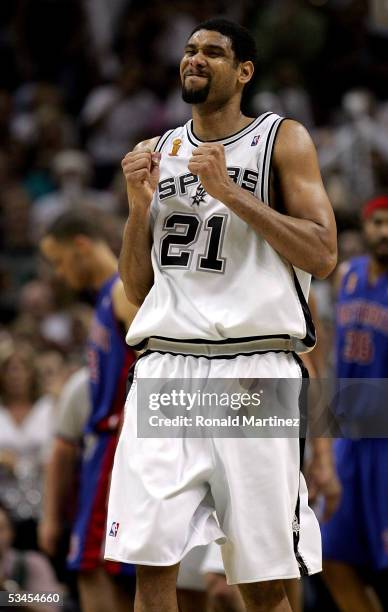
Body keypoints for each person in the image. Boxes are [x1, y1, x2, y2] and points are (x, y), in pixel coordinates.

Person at [105, 18, 337, 612]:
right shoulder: (157, 153)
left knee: (260, 580)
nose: (195, 59)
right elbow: (135, 287)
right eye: (189, 49)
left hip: (252, 371)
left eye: (213, 51)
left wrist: (232, 193)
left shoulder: (281, 138)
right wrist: (137, 209)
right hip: (166, 369)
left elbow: (323, 253)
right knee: (152, 564)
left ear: (245, 72)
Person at [39, 213, 137, 612]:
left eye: (60, 260)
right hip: (105, 447)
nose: (59, 274)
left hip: (118, 441)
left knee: (92, 566)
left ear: (81, 245)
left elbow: (154, 360)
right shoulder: (104, 295)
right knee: (100, 569)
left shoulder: (123, 291)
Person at [322, 195, 388, 612]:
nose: (385, 232)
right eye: (378, 222)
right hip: (350, 436)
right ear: (364, 227)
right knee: (330, 555)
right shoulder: (346, 275)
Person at [0, 501, 61, 611]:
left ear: (11, 532)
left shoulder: (31, 562)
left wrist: (8, 590)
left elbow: (52, 604)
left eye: (0, 529)